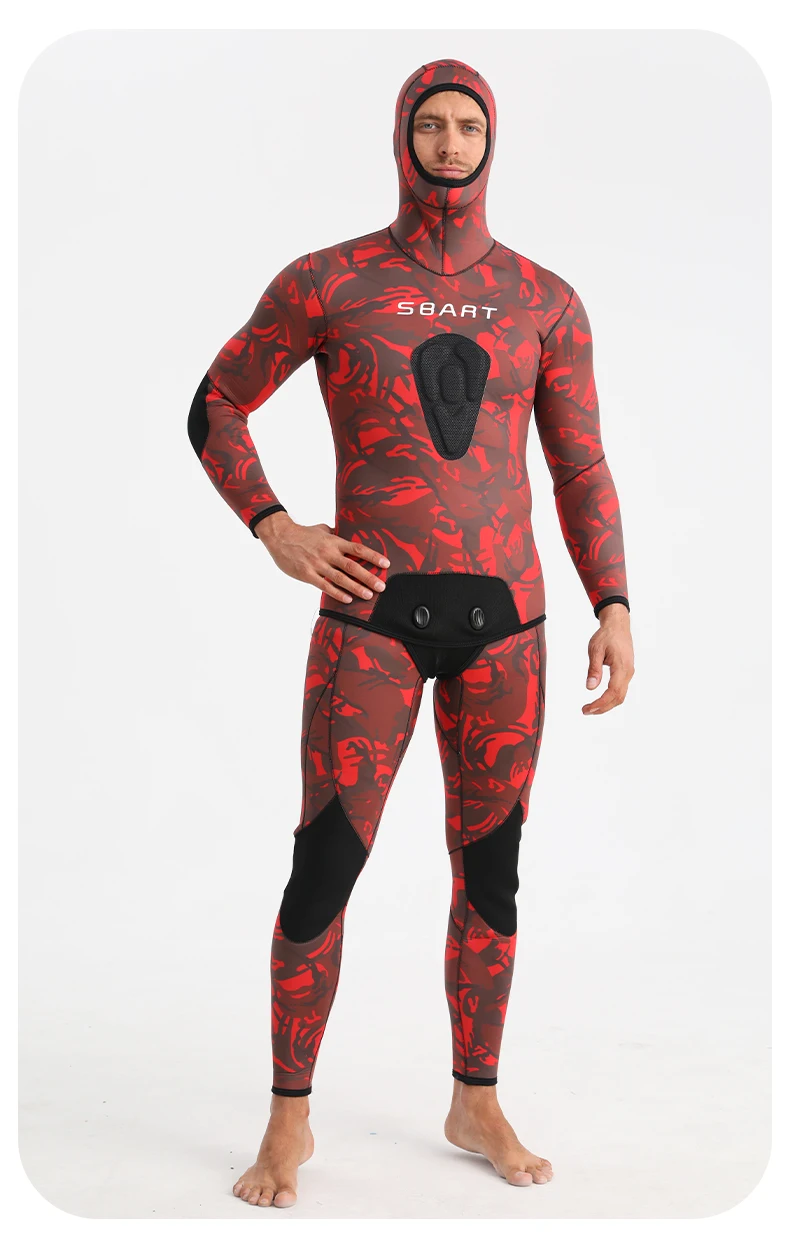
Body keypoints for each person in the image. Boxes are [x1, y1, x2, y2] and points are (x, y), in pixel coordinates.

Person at [188, 58, 634, 1208]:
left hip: (508, 627)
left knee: (492, 875)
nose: (448, 142)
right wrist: (275, 528)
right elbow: (216, 403)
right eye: (430, 123)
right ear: (401, 135)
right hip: (370, 621)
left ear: (492, 139)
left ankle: (473, 1098)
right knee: (323, 868)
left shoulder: (543, 299)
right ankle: (289, 1119)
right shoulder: (330, 281)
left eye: (466, 124)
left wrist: (614, 603)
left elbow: (579, 465)